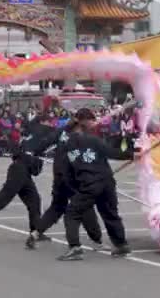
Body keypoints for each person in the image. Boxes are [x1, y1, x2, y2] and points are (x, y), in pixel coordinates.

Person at [58, 108, 134, 261]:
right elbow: (113, 153)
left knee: (72, 213)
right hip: (105, 182)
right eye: (91, 120)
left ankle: (75, 247)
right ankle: (121, 244)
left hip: (89, 184)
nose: (93, 123)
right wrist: (132, 153)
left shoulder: (67, 145)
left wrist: (77, 186)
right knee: (109, 213)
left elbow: (67, 172)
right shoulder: (94, 140)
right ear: (82, 122)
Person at [0, 115, 52, 244]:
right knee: (1, 200)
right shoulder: (38, 132)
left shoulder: (31, 133)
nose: (50, 124)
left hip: (24, 172)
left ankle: (36, 231)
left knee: (34, 201)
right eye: (47, 121)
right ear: (41, 123)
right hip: (19, 170)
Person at [25, 119, 105, 251]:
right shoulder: (81, 137)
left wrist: (36, 152)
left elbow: (44, 143)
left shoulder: (61, 132)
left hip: (59, 176)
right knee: (85, 207)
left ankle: (36, 232)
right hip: (72, 178)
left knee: (57, 207)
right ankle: (97, 240)